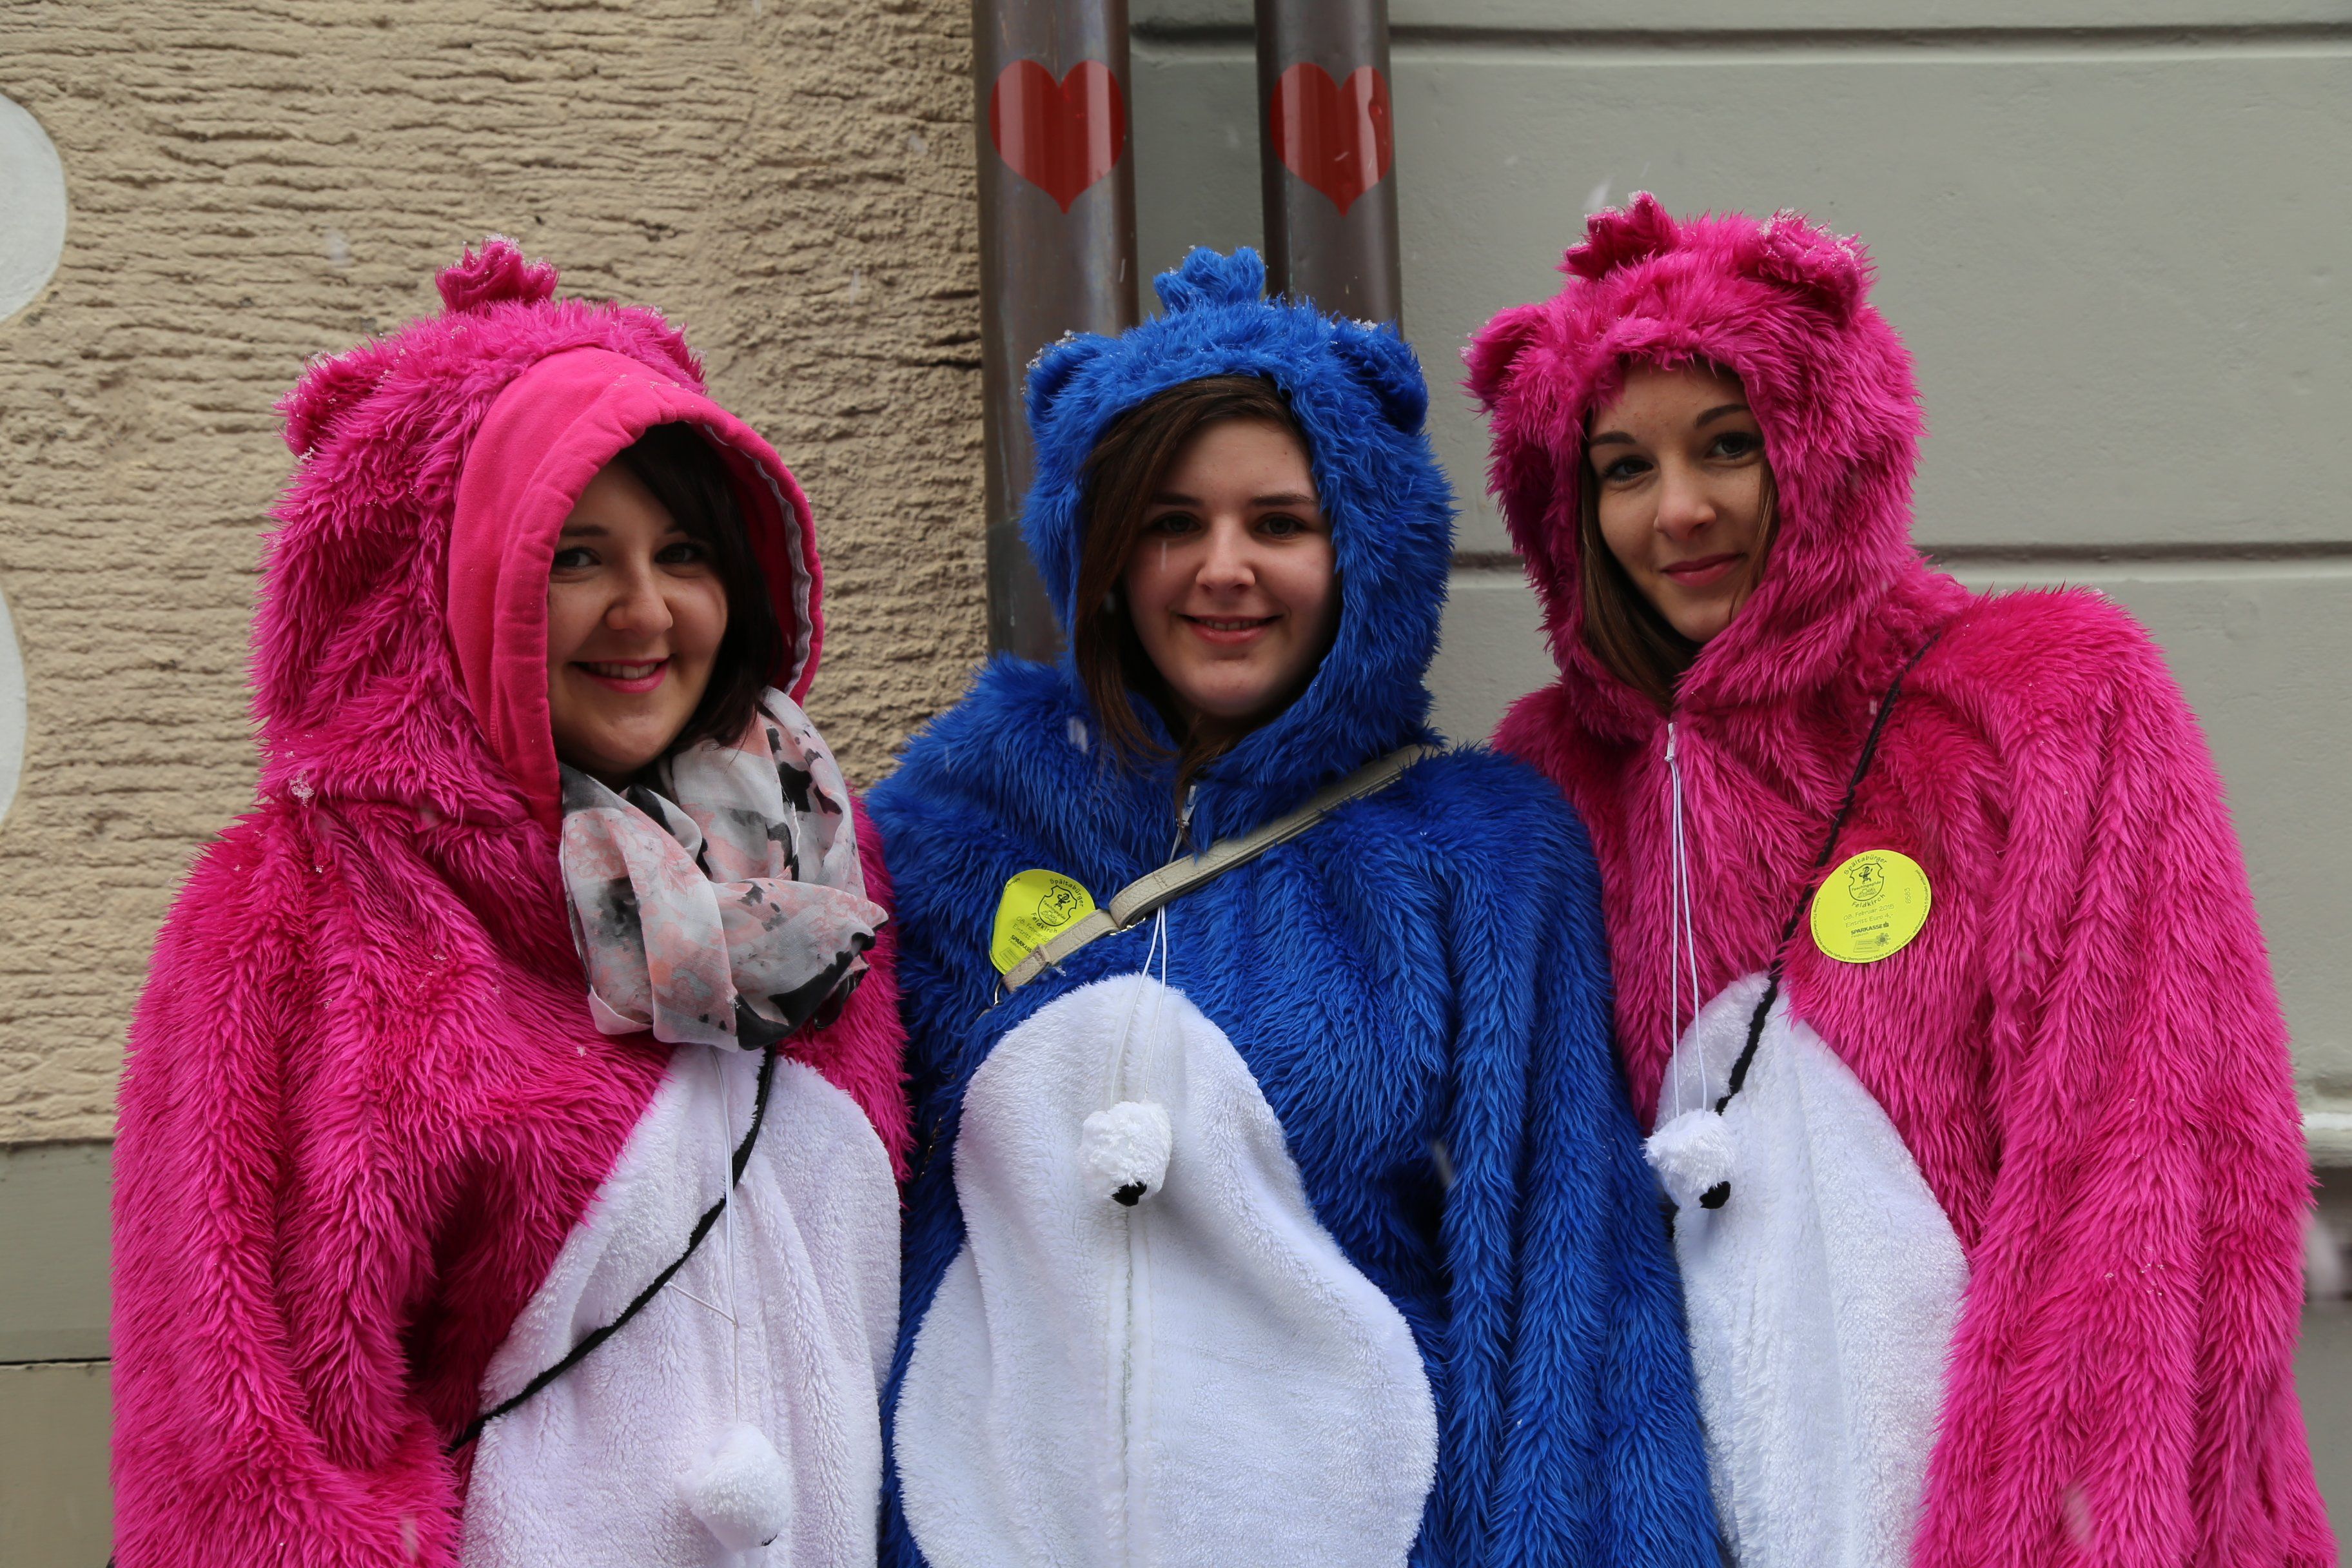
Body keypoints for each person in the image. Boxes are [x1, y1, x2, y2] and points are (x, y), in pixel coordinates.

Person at [1469, 195, 2334, 1567]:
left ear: (1828, 448)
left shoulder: (2047, 703)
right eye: (1623, 467)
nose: (1678, 509)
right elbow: (1546, 1241)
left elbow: (2147, 1161)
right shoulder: (1553, 781)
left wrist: (2044, 1529)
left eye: (1729, 445)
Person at [868, 246, 1720, 1568]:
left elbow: (1569, 1281)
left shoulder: (1481, 853)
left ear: (1364, 545)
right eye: (1172, 524)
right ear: (1101, 550)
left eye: (1279, 523)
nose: (1224, 569)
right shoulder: (952, 821)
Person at [111, 240, 908, 1568]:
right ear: (457, 581)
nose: (644, 612)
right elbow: (240, 1445)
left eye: (683, 551)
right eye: (576, 555)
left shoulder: (812, 866)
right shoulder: (308, 917)